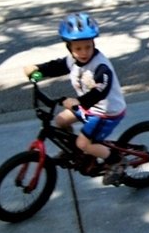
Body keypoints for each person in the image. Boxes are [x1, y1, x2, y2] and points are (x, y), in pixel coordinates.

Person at [24, 12, 127, 185]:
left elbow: (101, 90)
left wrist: (79, 102)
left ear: (93, 43)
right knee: (61, 121)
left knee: (83, 143)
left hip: (106, 112)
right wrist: (37, 69)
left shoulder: (100, 66)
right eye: (78, 48)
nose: (84, 52)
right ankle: (72, 152)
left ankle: (116, 161)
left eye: (88, 46)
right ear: (69, 48)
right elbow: (57, 66)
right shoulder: (72, 59)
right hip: (89, 107)